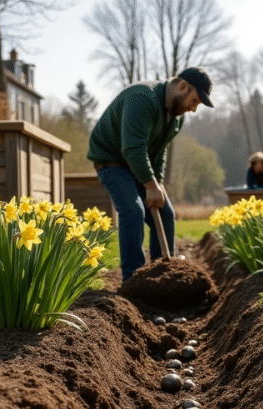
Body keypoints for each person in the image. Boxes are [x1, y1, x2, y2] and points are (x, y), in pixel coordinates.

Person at [88, 67, 214, 281]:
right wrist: (150, 185)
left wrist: (159, 183)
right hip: (111, 160)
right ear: (182, 86)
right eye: (194, 101)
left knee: (166, 215)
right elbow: (133, 148)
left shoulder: (176, 117)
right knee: (133, 211)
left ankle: (161, 276)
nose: (193, 109)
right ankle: (133, 279)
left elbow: (159, 151)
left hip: (137, 162)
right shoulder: (142, 98)